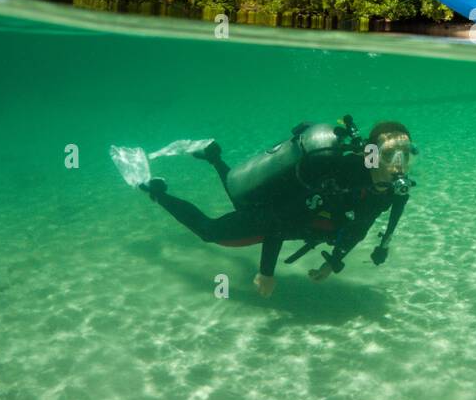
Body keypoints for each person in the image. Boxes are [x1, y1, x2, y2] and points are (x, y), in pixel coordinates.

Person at [139, 118, 415, 297]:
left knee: (241, 200)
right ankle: (157, 192)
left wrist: (331, 263)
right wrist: (266, 273)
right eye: (390, 154)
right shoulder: (336, 180)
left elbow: (361, 228)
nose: (399, 164)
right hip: (280, 213)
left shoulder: (394, 190)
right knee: (210, 232)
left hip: (299, 221)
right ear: (370, 155)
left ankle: (214, 157)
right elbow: (278, 223)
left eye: (407, 154)